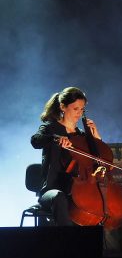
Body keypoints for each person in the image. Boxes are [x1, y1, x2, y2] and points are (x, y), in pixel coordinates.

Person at [30, 87, 102, 226]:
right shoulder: (50, 128)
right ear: (63, 107)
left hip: (77, 191)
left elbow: (98, 163)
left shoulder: (82, 136)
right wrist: (55, 138)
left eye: (82, 109)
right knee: (59, 197)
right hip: (51, 191)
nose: (79, 113)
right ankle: (68, 241)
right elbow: (35, 140)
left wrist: (96, 139)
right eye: (75, 109)